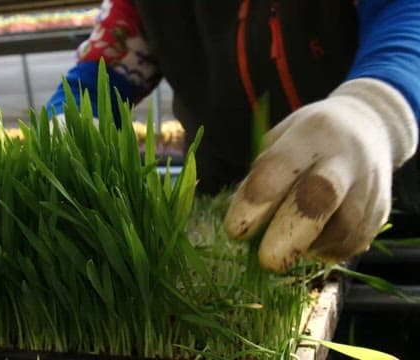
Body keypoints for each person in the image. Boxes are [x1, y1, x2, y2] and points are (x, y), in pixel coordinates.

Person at [46, 0, 420, 273]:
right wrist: (65, 122)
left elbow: (405, 12)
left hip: (372, 179)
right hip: (224, 196)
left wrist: (376, 108)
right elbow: (101, 72)